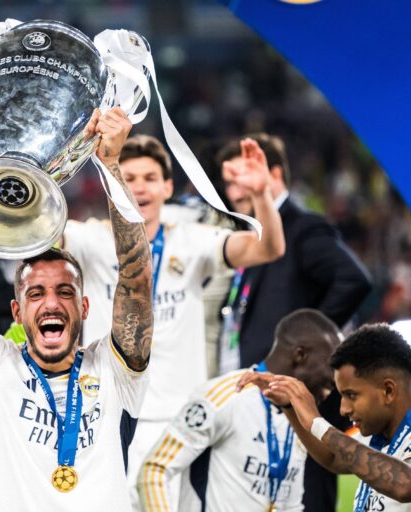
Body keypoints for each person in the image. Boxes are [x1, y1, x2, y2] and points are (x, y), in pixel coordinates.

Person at [0, 100, 153, 509]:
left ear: (84, 307)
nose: (51, 303)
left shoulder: (114, 370)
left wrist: (112, 164)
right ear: (16, 313)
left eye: (65, 292)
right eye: (36, 293)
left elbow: (136, 282)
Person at [60, 133, 286, 505]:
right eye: (128, 178)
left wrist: (261, 195)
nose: (139, 188)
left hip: (179, 422)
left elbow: (269, 247)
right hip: (107, 415)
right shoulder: (88, 240)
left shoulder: (193, 241)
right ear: (111, 184)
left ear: (167, 187)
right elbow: (33, 228)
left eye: (150, 178)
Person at [216, 133, 373, 511]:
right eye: (229, 181)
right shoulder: (255, 233)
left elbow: (354, 279)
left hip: (300, 388)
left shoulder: (302, 227)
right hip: (269, 386)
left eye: (241, 176)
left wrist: (309, 349)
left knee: (310, 481)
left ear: (272, 173)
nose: (233, 189)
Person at [137, 309, 341, 511]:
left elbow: (291, 504)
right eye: (332, 367)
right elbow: (156, 470)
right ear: (300, 355)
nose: (336, 381)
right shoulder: (226, 396)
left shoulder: (301, 416)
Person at [239, 324, 411, 511]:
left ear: (388, 390)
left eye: (351, 395)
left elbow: (405, 485)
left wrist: (317, 423)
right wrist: (289, 406)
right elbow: (332, 458)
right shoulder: (379, 435)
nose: (343, 409)